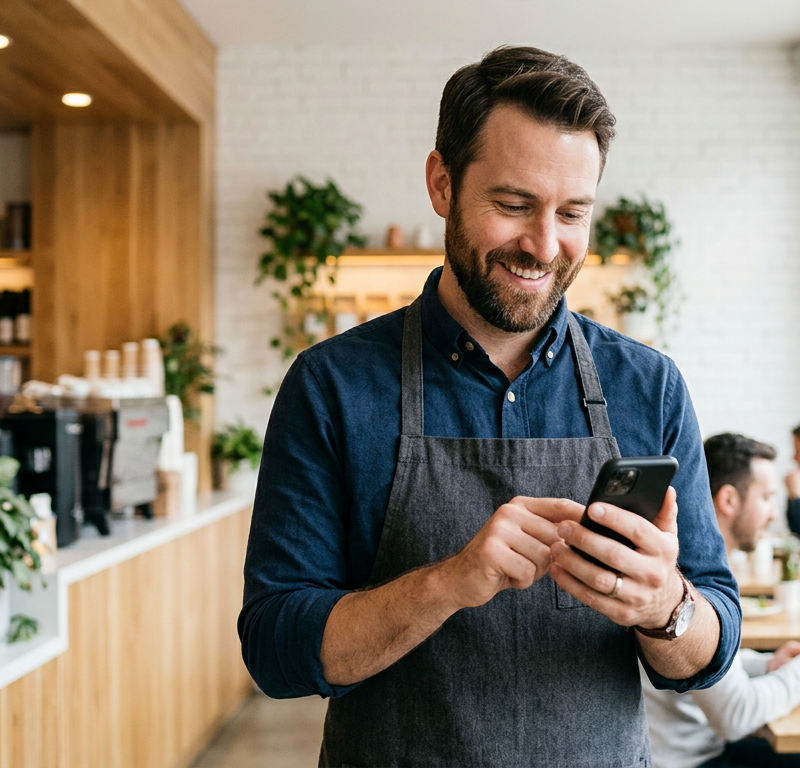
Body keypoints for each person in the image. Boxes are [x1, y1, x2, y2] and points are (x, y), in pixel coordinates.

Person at [238, 46, 741, 767]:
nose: (543, 244)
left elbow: (709, 649)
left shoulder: (648, 386)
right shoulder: (333, 386)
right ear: (442, 183)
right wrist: (449, 583)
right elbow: (276, 648)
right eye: (513, 205)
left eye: (572, 212)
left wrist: (666, 606)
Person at [644, 433, 800, 768]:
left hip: (699, 746)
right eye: (767, 497)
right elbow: (735, 716)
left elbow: (711, 665)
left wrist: (766, 665)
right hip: (686, 761)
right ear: (728, 500)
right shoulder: (688, 581)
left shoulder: (696, 564)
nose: (774, 514)